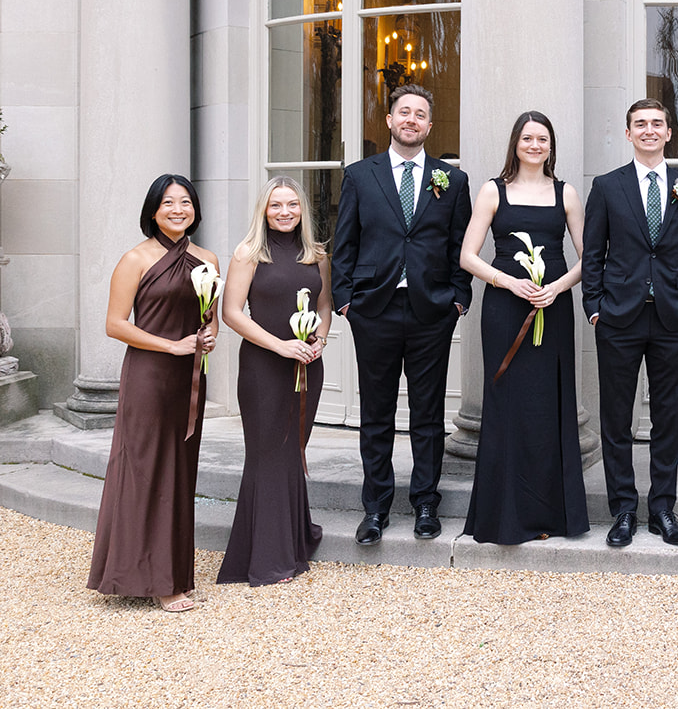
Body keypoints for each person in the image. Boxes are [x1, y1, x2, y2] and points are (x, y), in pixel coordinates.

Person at [331, 84, 473, 545]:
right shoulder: (359, 175)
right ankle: (375, 508)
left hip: (432, 310)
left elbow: (458, 247)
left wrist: (458, 298)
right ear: (389, 120)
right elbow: (344, 245)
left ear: (430, 126)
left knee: (428, 415)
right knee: (376, 413)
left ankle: (425, 502)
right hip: (374, 309)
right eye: (404, 112)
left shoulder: (452, 181)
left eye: (420, 114)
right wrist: (345, 301)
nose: (411, 119)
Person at [87, 175, 219, 612]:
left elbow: (210, 318)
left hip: (190, 380)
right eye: (168, 202)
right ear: (153, 210)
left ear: (195, 209)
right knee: (145, 469)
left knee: (180, 472)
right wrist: (171, 345)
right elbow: (115, 323)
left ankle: (172, 571)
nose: (178, 209)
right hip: (148, 375)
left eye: (185, 202)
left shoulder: (207, 259)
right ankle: (150, 578)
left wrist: (208, 336)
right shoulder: (135, 258)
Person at [583, 99, 678, 548]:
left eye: (657, 124)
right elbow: (592, 254)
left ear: (669, 132)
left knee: (668, 417)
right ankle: (622, 509)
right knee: (617, 418)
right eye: (641, 124)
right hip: (618, 317)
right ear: (628, 133)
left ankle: (662, 509)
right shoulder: (607, 186)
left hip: (675, 318)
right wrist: (594, 306)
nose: (649, 130)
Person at [458, 111, 588, 543]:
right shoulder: (493, 191)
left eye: (543, 139)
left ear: (552, 146)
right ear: (515, 143)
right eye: (528, 138)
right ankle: (504, 516)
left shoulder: (566, 193)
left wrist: (557, 288)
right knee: (508, 404)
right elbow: (468, 256)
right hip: (504, 308)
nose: (535, 145)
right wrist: (507, 281)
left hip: (553, 307)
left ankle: (551, 515)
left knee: (548, 404)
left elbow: (590, 258)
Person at [218, 177, 331, 586]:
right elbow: (232, 313)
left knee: (291, 451)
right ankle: (266, 559)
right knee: (267, 454)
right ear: (263, 211)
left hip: (306, 367)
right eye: (275, 206)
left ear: (303, 210)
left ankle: (294, 541)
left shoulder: (316, 255)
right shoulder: (248, 253)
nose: (284, 212)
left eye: (292, 205)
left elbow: (324, 307)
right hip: (263, 369)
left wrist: (317, 339)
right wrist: (281, 347)